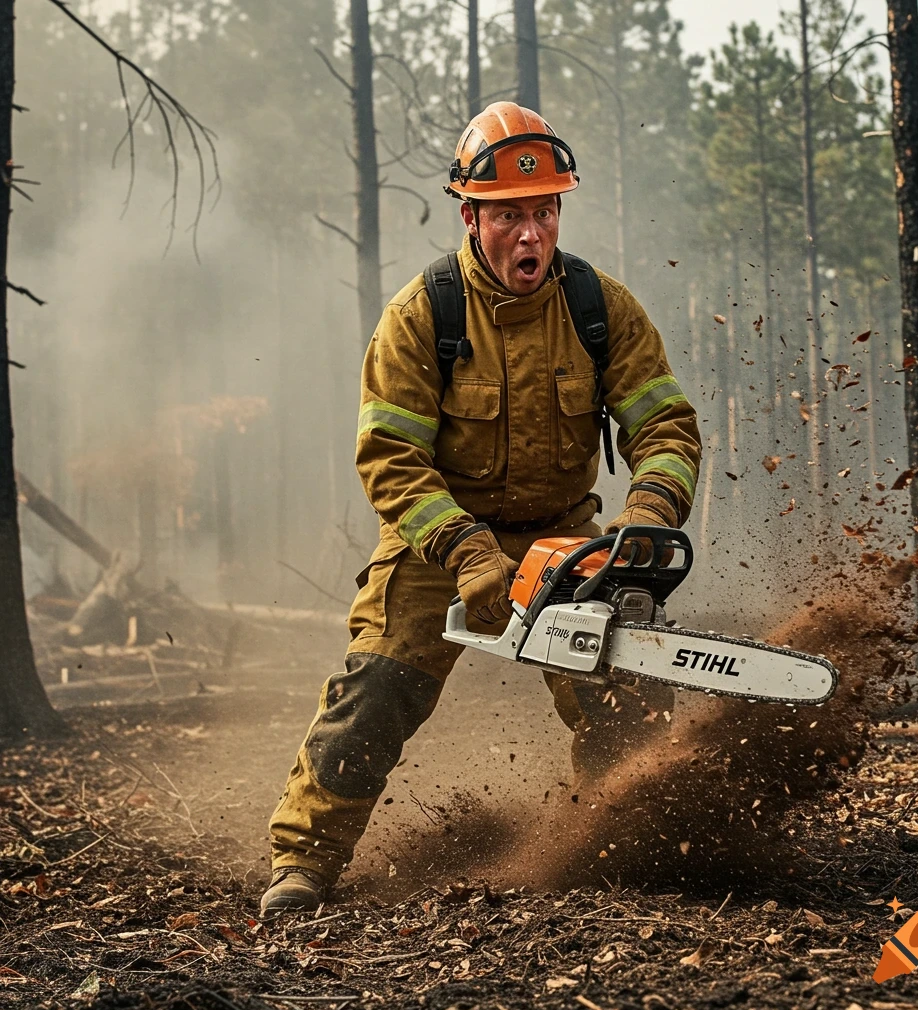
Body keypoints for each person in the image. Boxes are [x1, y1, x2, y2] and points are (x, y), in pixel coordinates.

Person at [261, 102, 702, 916]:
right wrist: (465, 551)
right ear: (471, 215)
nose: (529, 235)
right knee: (377, 687)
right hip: (440, 539)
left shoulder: (601, 310)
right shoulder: (423, 314)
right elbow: (391, 460)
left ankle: (625, 837)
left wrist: (646, 515)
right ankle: (304, 862)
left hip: (565, 533)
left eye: (542, 212)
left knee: (625, 687)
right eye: (508, 217)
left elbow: (665, 425)